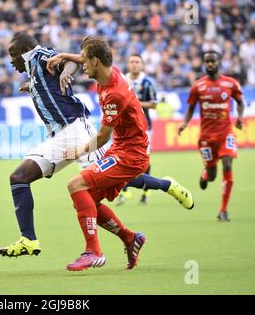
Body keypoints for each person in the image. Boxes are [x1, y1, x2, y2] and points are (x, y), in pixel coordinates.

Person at [46, 37, 193, 271]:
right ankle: (129, 238)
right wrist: (64, 56)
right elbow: (88, 58)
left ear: (95, 61)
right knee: (89, 200)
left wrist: (77, 152)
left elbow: (102, 137)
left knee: (76, 185)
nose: (82, 65)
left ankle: (93, 252)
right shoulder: (108, 72)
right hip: (122, 148)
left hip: (130, 155)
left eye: (85, 61)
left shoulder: (115, 93)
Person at [0, 32, 106, 258]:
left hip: (77, 129)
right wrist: (33, 87)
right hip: (58, 137)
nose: (11, 61)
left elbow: (69, 61)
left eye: (14, 54)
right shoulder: (33, 72)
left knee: (111, 181)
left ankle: (164, 186)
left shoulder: (40, 54)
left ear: (26, 50)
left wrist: (66, 73)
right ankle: (28, 240)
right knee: (18, 178)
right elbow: (47, 84)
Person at [178, 51, 245, 222]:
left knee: (228, 164)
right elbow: (191, 108)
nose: (209, 64)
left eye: (212, 61)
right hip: (207, 137)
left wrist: (239, 117)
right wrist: (185, 123)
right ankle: (206, 173)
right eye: (206, 61)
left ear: (219, 63)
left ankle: (223, 210)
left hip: (225, 134)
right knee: (213, 174)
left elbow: (240, 102)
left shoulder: (230, 84)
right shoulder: (198, 86)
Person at [117, 54, 159, 205]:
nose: (134, 64)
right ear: (128, 64)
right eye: (131, 62)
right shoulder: (122, 80)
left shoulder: (147, 82)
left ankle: (146, 191)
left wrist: (134, 103)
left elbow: (154, 104)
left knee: (144, 160)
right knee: (122, 158)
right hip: (124, 128)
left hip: (144, 127)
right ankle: (124, 192)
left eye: (137, 62)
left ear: (142, 65)